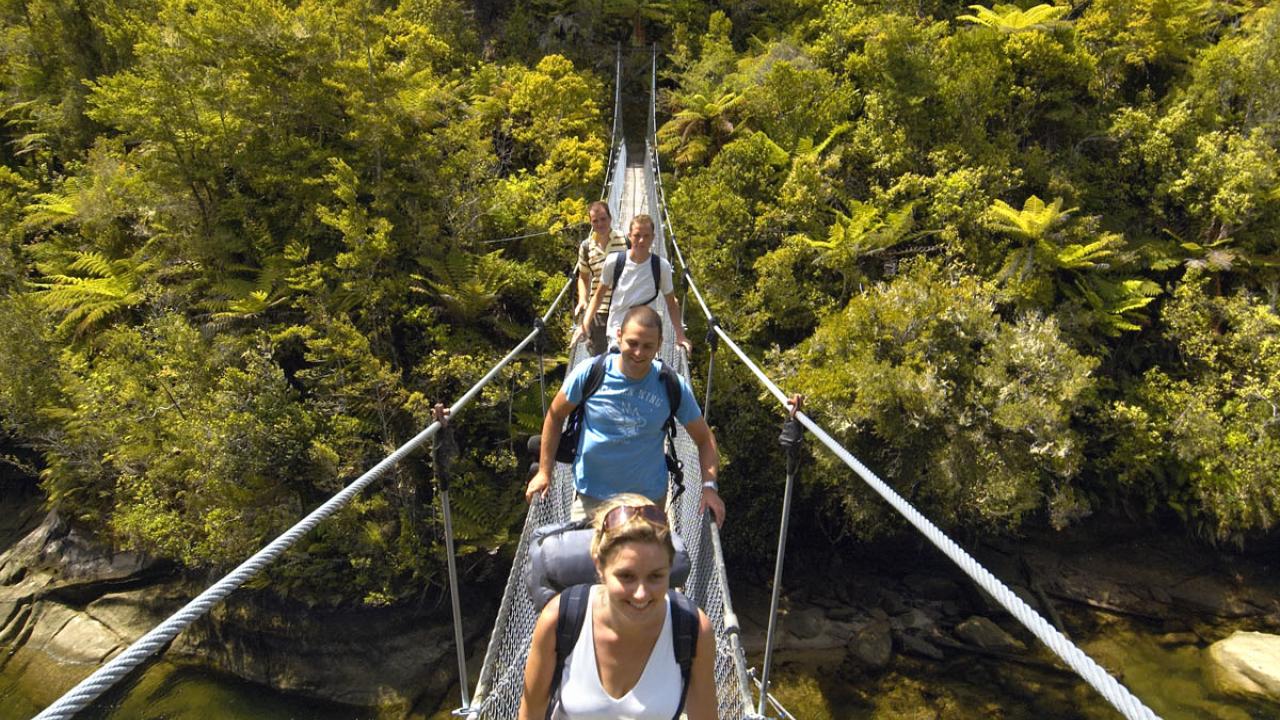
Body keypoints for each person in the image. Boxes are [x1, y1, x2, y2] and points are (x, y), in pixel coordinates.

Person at [518, 495, 717, 720]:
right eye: (626, 576)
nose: (641, 594)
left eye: (656, 577)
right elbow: (531, 713)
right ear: (599, 566)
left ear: (670, 568)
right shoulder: (560, 618)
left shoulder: (693, 629)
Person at [525, 306, 725, 526]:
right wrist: (544, 472)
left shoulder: (671, 384)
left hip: (646, 502)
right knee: (586, 560)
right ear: (619, 336)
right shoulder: (590, 372)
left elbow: (705, 439)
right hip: (592, 498)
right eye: (632, 343)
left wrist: (709, 488)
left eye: (648, 346)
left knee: (642, 561)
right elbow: (555, 417)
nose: (639, 353)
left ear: (659, 345)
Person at [582, 214, 691, 354]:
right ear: (629, 236)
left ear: (653, 237)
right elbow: (598, 296)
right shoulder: (614, 261)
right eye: (637, 235)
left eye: (646, 236)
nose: (641, 240)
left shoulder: (661, 266)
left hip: (644, 337)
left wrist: (680, 336)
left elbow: (671, 303)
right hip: (618, 334)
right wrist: (584, 325)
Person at [575, 201, 628, 356]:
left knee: (623, 358)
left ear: (610, 218)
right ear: (591, 223)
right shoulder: (586, 247)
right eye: (595, 221)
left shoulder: (625, 241)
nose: (600, 223)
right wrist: (582, 299)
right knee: (599, 359)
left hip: (623, 308)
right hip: (598, 311)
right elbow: (583, 277)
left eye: (603, 219)